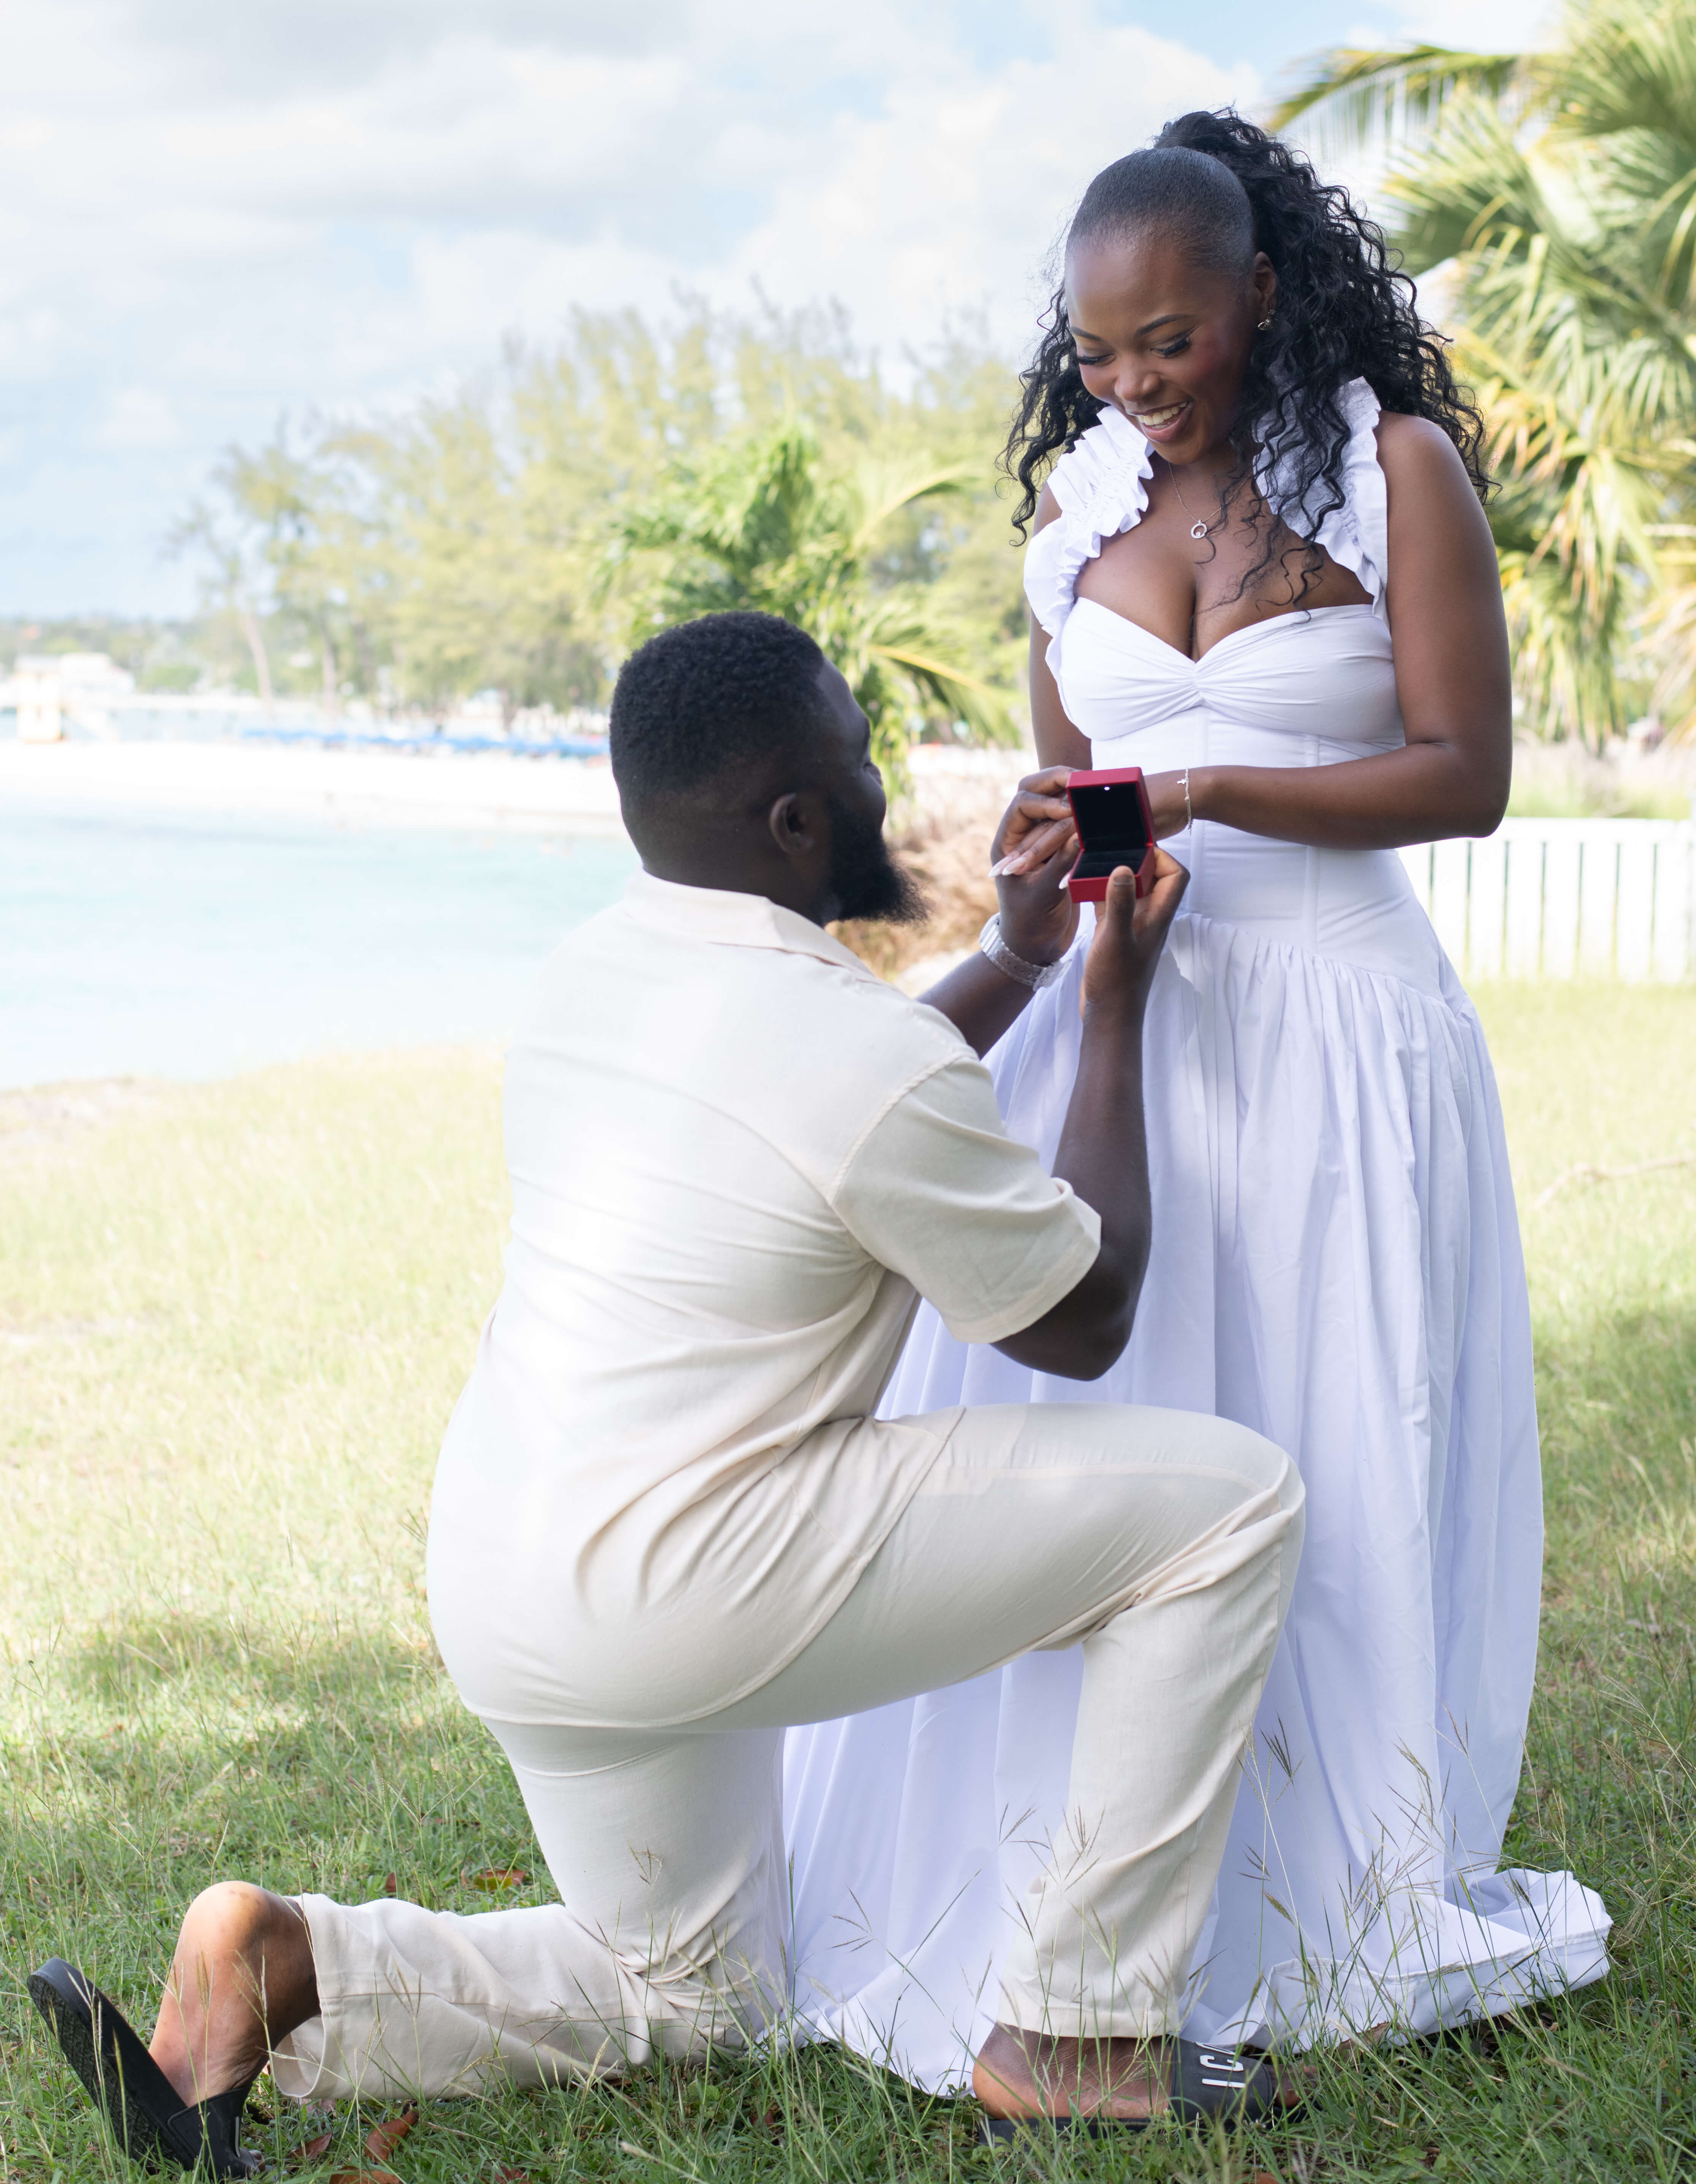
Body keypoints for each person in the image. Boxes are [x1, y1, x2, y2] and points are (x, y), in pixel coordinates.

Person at [30, 610, 1307, 2178]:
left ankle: (289, 1965)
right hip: (682, 1580)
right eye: (857, 754)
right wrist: (1112, 997)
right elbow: (1086, 1309)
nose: (878, 778)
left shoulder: (590, 968)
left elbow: (834, 1108)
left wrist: (1019, 955)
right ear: (794, 819)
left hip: (513, 1572)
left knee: (698, 1993)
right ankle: (1078, 2023)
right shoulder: (850, 1051)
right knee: (1227, 1502)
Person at [784, 113, 1611, 2083]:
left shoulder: (1389, 466)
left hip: (1335, 1025)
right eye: (1100, 349)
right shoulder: (1067, 521)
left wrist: (1208, 792)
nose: (1137, 383)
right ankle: (1045, 1909)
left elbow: (1462, 774)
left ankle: (1309, 1889)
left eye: (1171, 337)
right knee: (1116, 1446)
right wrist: (1052, 852)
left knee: (1325, 1434)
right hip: (1128, 1021)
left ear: (1256, 293)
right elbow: (1074, 790)